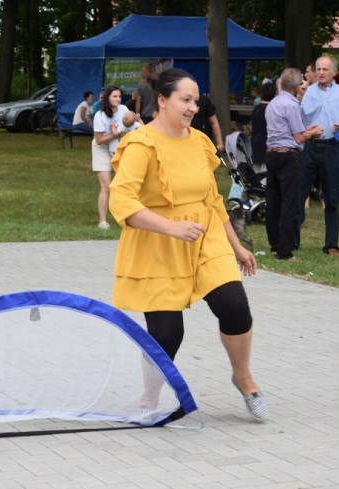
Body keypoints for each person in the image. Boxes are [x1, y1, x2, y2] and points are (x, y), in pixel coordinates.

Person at [108, 68, 268, 421]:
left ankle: (243, 378)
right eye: (186, 99)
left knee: (234, 304)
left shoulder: (198, 142)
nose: (193, 107)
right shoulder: (141, 144)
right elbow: (121, 203)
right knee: (168, 333)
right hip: (158, 243)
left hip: (205, 237)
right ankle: (150, 397)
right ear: (162, 101)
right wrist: (170, 227)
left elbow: (211, 199)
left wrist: (237, 245)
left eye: (195, 100)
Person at [298, 54, 339, 256]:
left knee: (332, 197)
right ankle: (292, 240)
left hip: (333, 148)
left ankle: (331, 244)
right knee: (299, 195)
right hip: (310, 147)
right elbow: (297, 116)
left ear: (334, 72)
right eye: (318, 69)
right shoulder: (307, 93)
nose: (321, 72)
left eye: (325, 69)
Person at [264, 68, 324, 261]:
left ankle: (274, 245)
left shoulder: (272, 103)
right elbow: (298, 137)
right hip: (288, 157)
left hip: (272, 154)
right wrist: (313, 133)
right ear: (298, 86)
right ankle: (285, 251)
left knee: (273, 202)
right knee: (290, 203)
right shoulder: (292, 105)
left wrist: (306, 130)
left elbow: (287, 130)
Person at [91, 85, 131, 230]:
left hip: (118, 147)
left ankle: (126, 217)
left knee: (122, 184)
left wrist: (122, 134)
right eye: (114, 96)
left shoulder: (124, 110)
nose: (118, 99)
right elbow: (99, 139)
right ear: (107, 98)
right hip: (101, 149)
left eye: (119, 96)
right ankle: (102, 221)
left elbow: (129, 128)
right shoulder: (99, 116)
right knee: (106, 186)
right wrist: (115, 134)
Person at [250, 82, 276, 168]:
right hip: (268, 146)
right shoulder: (273, 110)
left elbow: (252, 126)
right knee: (265, 175)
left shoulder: (257, 109)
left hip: (256, 143)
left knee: (256, 172)